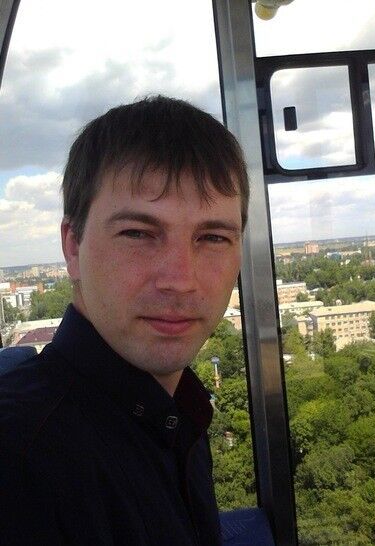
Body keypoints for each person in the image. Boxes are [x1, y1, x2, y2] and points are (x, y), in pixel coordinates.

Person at [0, 96, 249, 545]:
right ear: (72, 246)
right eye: (137, 233)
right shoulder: (18, 458)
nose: (181, 280)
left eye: (213, 237)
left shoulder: (177, 416)